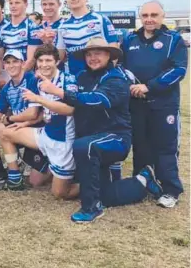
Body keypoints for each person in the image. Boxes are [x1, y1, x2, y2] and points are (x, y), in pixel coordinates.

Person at [44, 38, 162, 223]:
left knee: (83, 146)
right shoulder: (82, 76)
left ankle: (91, 208)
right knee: (104, 194)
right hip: (92, 141)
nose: (93, 58)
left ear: (109, 55)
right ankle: (143, 180)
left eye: (98, 53)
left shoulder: (116, 78)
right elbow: (74, 102)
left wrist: (59, 92)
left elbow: (98, 100)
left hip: (115, 139)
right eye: (89, 54)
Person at [122, 1, 188, 208]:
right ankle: (142, 186)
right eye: (145, 15)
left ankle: (170, 189)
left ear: (162, 16)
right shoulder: (130, 39)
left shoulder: (173, 40)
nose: (149, 19)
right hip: (136, 105)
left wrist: (149, 87)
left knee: (165, 147)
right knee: (140, 146)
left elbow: (179, 70)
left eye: (154, 15)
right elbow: (122, 67)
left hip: (163, 105)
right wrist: (132, 85)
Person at [55, 0, 121, 180]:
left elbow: (113, 48)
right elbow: (61, 56)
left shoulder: (100, 19)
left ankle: (111, 171)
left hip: (99, 80)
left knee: (104, 121)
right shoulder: (63, 25)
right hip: (77, 81)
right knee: (80, 122)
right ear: (66, 0)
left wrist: (108, 76)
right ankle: (83, 170)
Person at [0, 44, 79, 198]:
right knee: (6, 133)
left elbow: (70, 110)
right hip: (45, 134)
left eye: (48, 60)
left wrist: (39, 99)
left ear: (57, 62)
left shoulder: (68, 79)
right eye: (40, 60)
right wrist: (25, 123)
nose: (44, 64)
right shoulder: (35, 81)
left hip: (63, 141)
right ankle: (15, 179)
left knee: (60, 194)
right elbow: (41, 113)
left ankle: (95, 184)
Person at [0, 49, 49, 189]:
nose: (11, 66)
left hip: (38, 126)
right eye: (7, 62)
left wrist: (10, 119)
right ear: (4, 66)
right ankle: (1, 172)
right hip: (19, 125)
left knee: (35, 182)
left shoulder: (31, 79)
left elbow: (32, 114)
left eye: (15, 62)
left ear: (23, 64)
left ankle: (53, 165)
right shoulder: (7, 88)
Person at [0, 0, 42, 79]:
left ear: (26, 5)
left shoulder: (32, 27)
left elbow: (31, 60)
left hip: (26, 76)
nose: (13, 6)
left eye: (17, 2)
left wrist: (16, 78)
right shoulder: (2, 29)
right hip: (8, 76)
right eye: (11, 3)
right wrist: (0, 76)